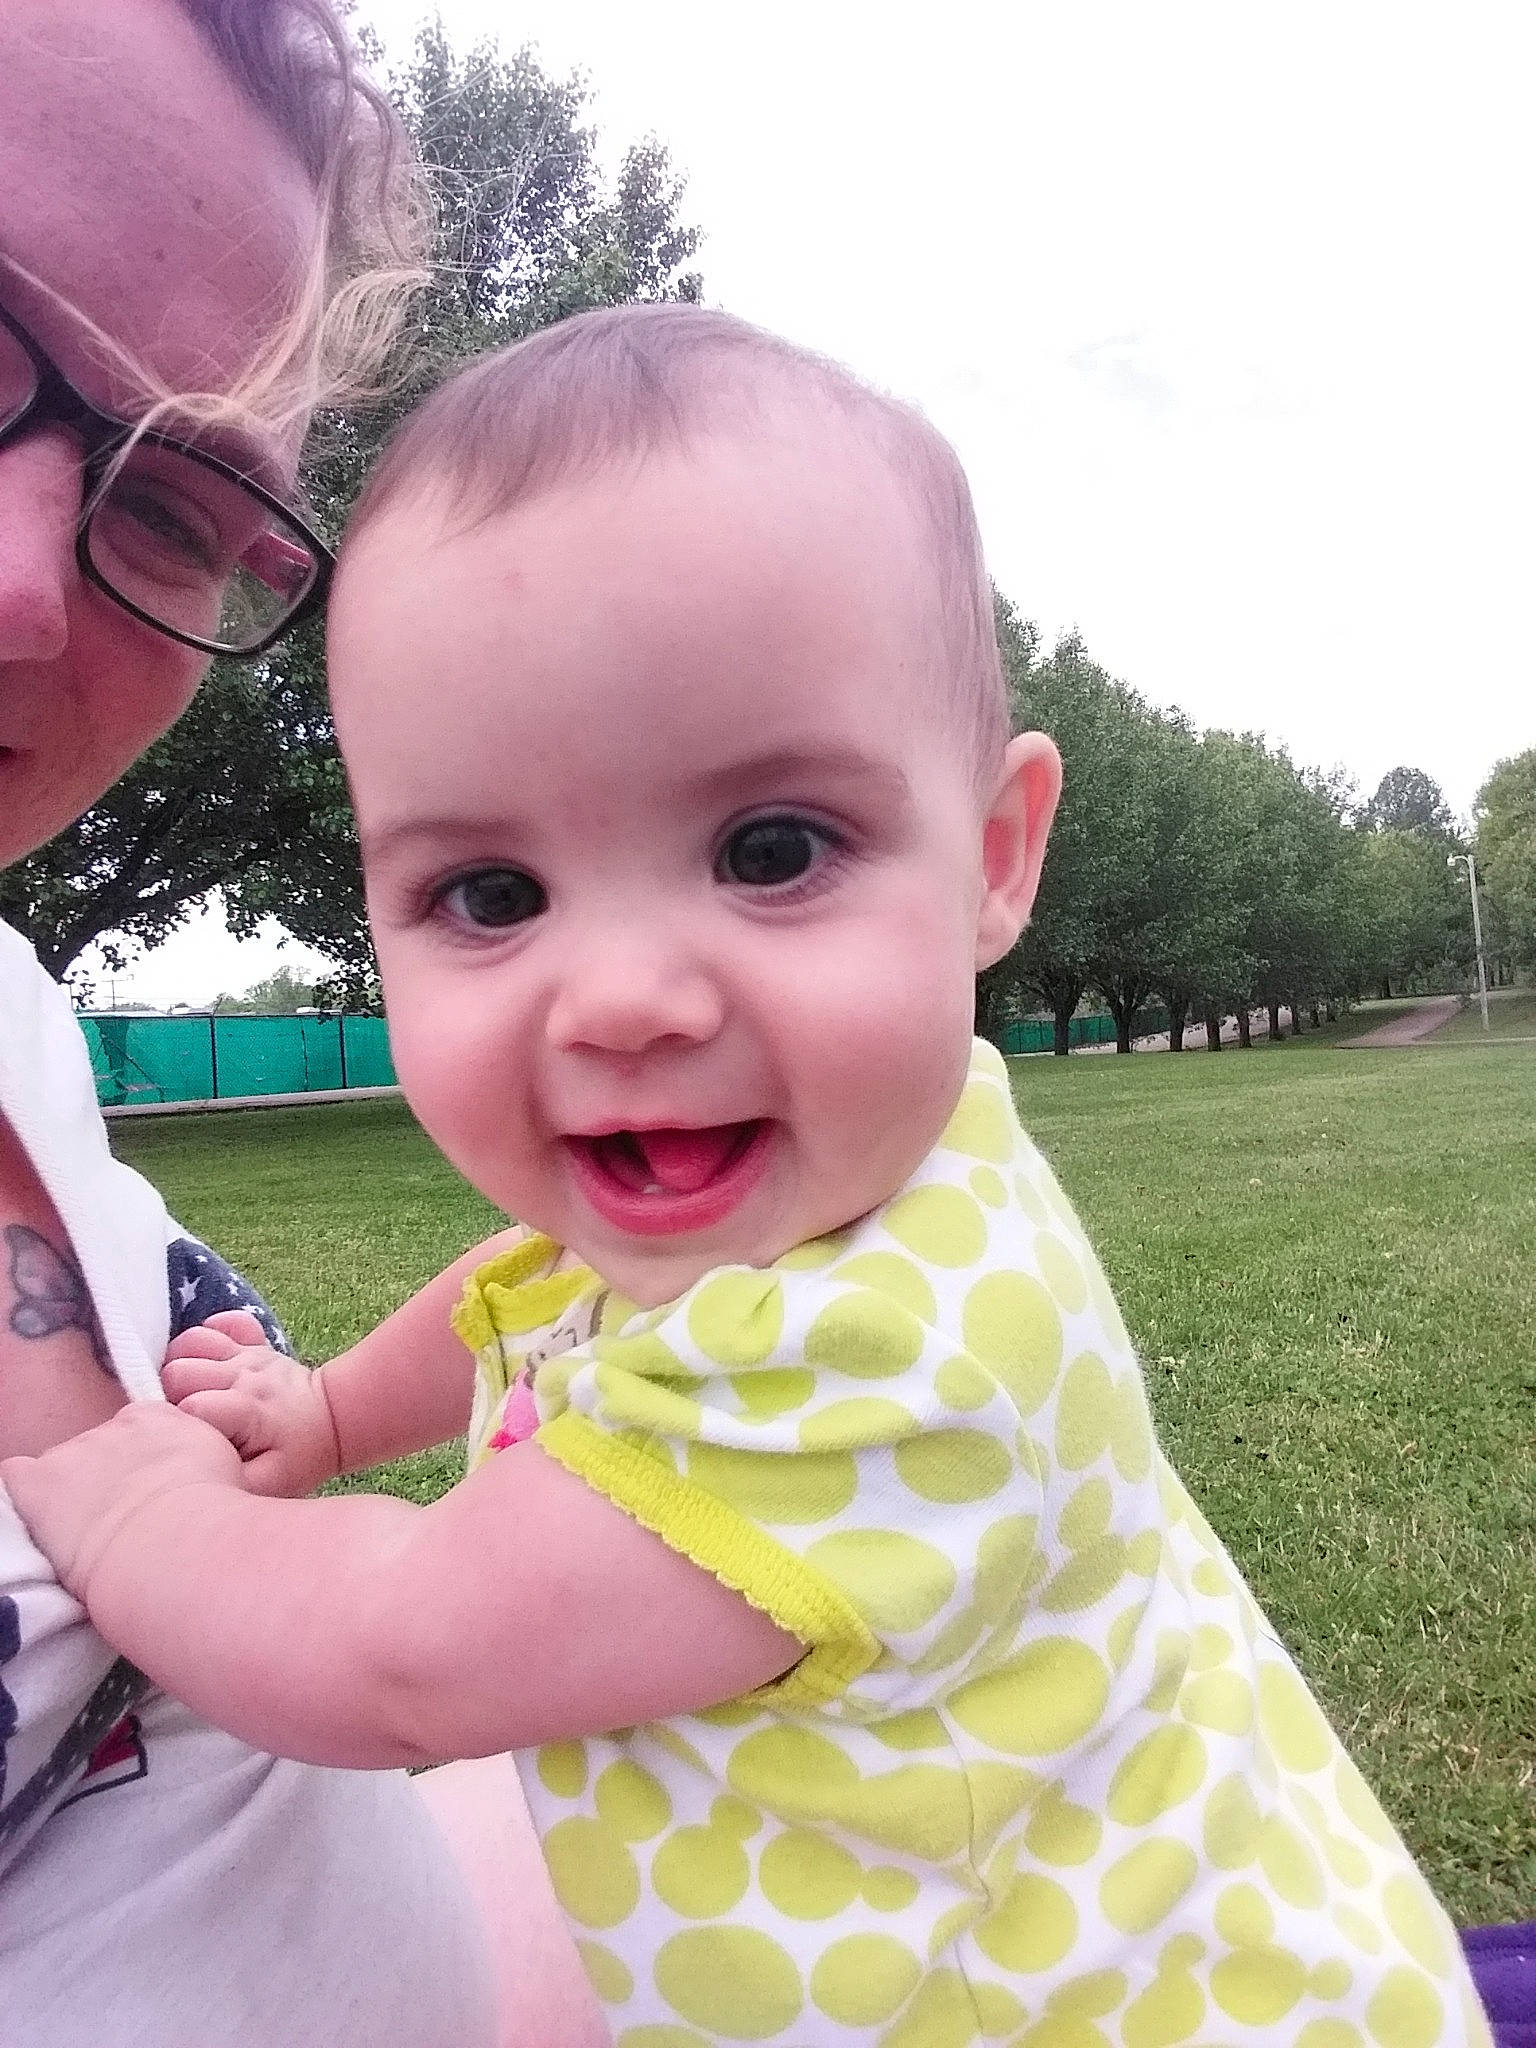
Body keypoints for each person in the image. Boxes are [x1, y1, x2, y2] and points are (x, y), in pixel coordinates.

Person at [3, 304, 1495, 2048]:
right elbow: (535, 1273)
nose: (624, 997)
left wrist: (131, 1514)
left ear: (996, 855)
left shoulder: (876, 1376)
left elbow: (399, 1649)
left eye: (771, 851)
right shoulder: (879, 1177)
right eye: (490, 895)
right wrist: (331, 1410)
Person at [0, 4, 601, 2043]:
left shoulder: (16, 1023)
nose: (21, 588)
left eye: (169, 505)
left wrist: (301, 1412)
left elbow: (546, 1286)